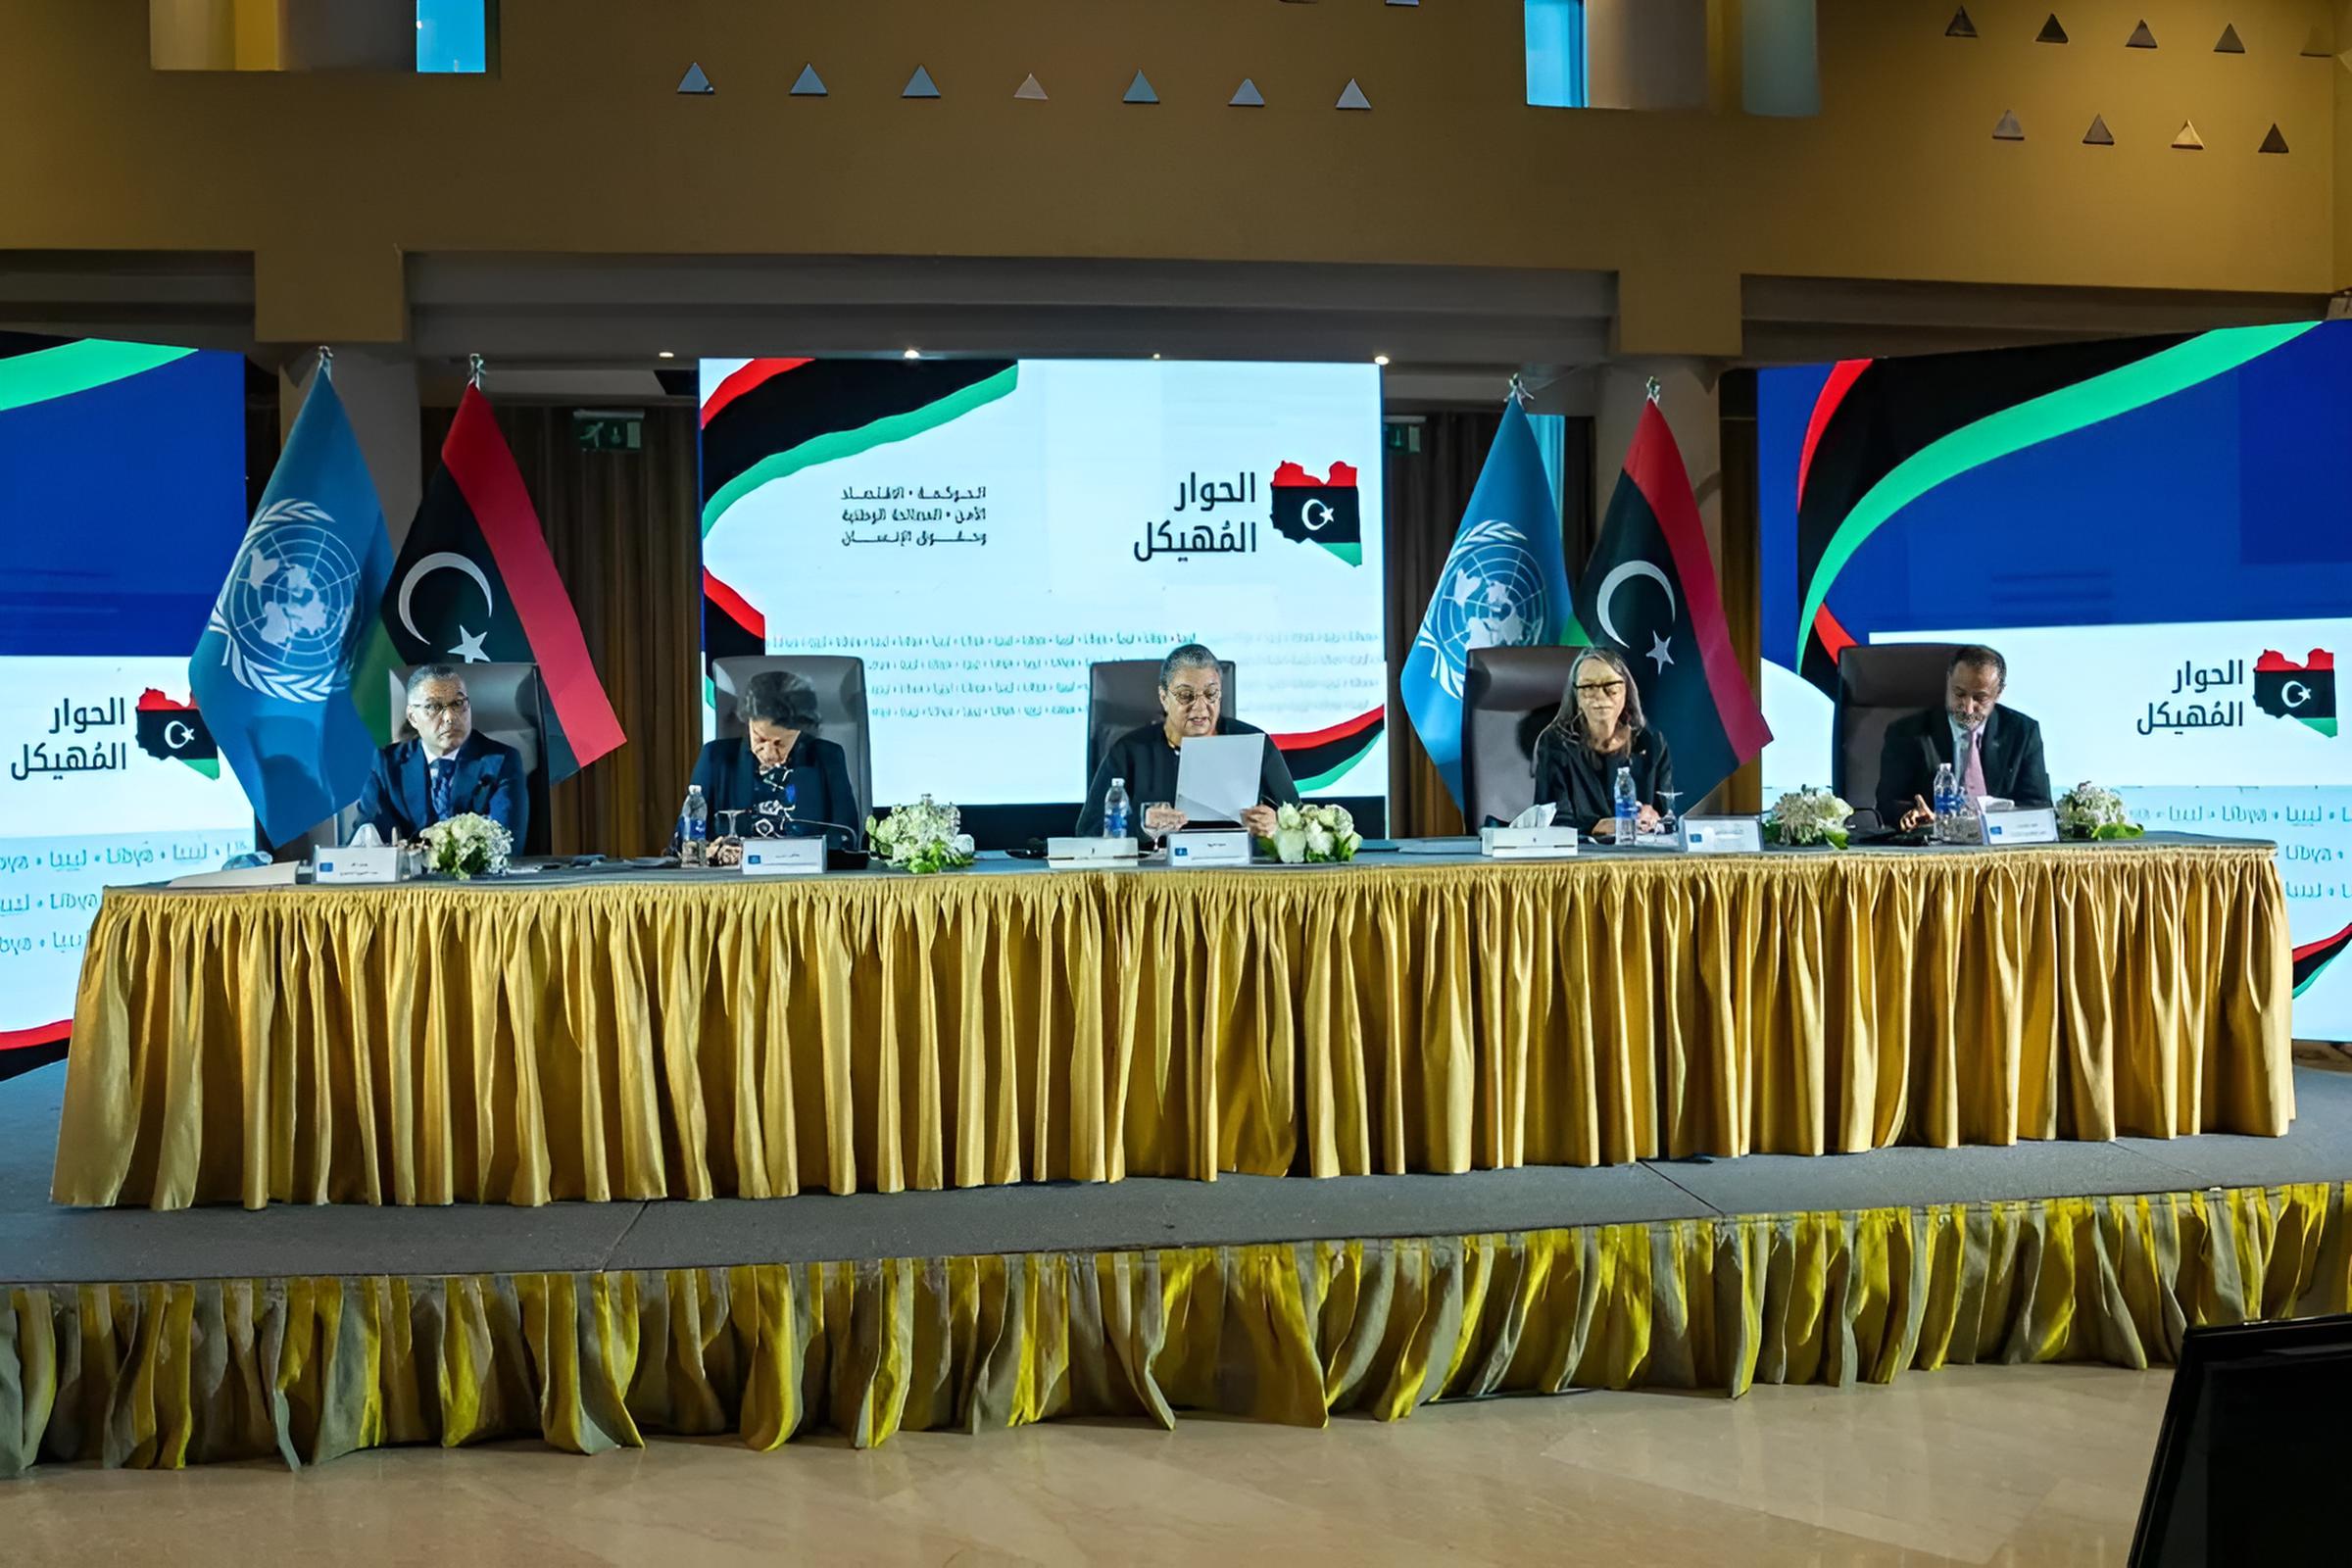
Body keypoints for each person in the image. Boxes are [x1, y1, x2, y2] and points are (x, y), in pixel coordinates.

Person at [1077, 643, 1300, 840]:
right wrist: (1141, 825)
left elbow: (1302, 821)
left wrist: (1278, 825)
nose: (1200, 707)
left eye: (1211, 694)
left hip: (1237, 870)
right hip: (1157, 872)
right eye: (1186, 696)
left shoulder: (1254, 743)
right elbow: (1088, 831)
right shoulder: (1130, 751)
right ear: (1164, 698)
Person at [1876, 644, 2051, 830]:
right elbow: (1887, 803)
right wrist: (1913, 814)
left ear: (1998, 693)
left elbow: (2038, 806)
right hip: (1934, 842)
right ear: (1948, 681)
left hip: (1999, 841)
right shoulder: (1907, 733)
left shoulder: (2022, 732)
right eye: (1959, 694)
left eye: (1980, 698)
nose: (1968, 708)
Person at [355, 664, 529, 846]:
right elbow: (365, 840)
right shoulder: (386, 764)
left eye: (458, 704)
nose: (449, 717)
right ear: (413, 717)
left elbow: (505, 843)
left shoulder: (500, 761)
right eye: (433, 707)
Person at [689, 668, 860, 850]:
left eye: (780, 743)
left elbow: (846, 837)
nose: (769, 753)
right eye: (760, 739)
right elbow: (687, 841)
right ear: (748, 723)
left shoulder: (828, 758)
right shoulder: (715, 758)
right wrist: (710, 850)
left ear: (800, 731)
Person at [1531, 646, 1675, 839]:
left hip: (1640, 853)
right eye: (1588, 687)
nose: (1600, 696)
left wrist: (1654, 818)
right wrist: (1596, 827)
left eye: (1611, 687)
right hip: (1581, 854)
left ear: (1626, 691)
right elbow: (1551, 822)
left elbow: (1669, 817)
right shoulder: (1555, 743)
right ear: (1576, 695)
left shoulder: (1650, 741)